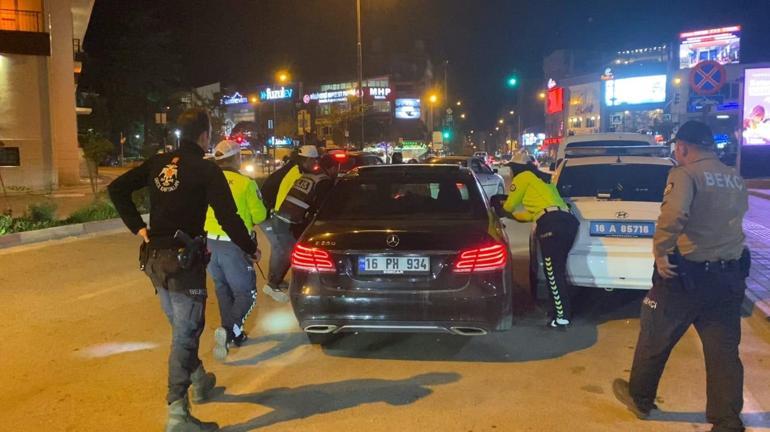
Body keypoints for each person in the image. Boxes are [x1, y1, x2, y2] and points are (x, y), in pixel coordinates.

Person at [108, 108, 259, 432]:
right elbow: (229, 218)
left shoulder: (158, 162)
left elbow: (116, 189)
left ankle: (200, 381)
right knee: (187, 332)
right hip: (183, 263)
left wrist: (138, 227)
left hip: (154, 259)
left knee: (181, 327)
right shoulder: (205, 171)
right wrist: (250, 247)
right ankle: (178, 413)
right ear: (205, 136)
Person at [613, 121, 750, 432]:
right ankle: (727, 420)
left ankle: (640, 398)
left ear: (684, 147)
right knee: (724, 351)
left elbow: (673, 215)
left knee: (655, 336)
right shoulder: (734, 177)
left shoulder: (685, 174)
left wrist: (660, 251)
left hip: (685, 275)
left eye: (678, 148)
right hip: (727, 278)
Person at [204, 140, 267, 361]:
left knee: (223, 290)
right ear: (236, 158)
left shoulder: (207, 180)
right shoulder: (245, 183)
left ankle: (233, 335)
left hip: (209, 244)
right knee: (246, 293)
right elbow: (259, 216)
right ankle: (230, 329)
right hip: (234, 244)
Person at [502, 153, 577, 328]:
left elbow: (510, 205)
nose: (511, 171)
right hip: (567, 221)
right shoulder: (543, 180)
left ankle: (562, 316)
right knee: (558, 269)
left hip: (551, 224)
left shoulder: (523, 177)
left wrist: (504, 211)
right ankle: (558, 311)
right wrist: (516, 216)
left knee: (553, 272)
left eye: (512, 167)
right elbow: (532, 213)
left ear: (518, 168)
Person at [260, 145, 326, 303]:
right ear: (308, 160)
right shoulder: (295, 173)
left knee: (283, 248)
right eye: (314, 161)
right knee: (284, 250)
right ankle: (272, 284)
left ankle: (275, 279)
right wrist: (283, 220)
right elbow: (286, 198)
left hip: (271, 211)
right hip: (270, 213)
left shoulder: (294, 167)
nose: (316, 164)